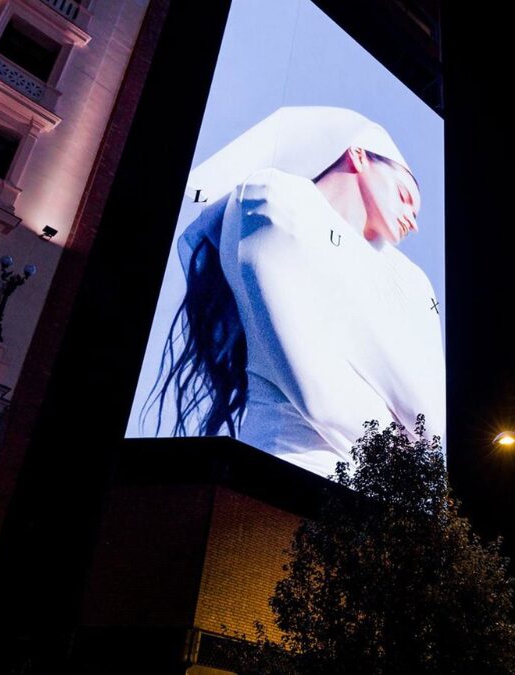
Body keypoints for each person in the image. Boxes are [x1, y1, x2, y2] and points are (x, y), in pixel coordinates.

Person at [143, 107, 445, 477]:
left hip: (375, 493)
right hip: (285, 474)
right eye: (404, 195)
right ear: (359, 155)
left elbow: (432, 423)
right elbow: (321, 397)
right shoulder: (273, 200)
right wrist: (405, 444)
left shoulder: (408, 276)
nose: (413, 221)